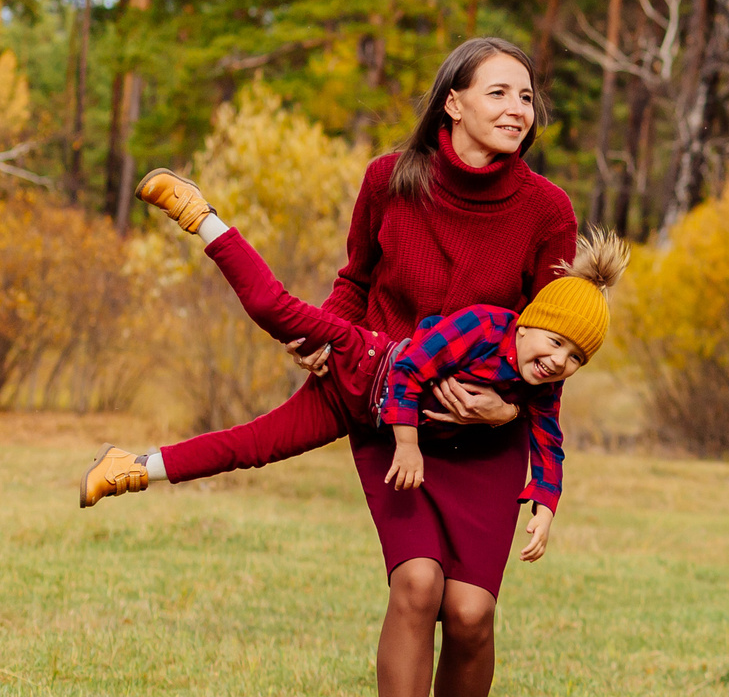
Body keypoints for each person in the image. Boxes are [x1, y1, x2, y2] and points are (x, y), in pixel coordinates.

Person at [81, 39, 577, 697]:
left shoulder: (547, 210)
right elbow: (354, 281)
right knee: (416, 584)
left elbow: (559, 337)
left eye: (528, 96)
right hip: (389, 409)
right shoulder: (391, 178)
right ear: (451, 101)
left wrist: (513, 406)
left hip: (485, 435)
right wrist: (324, 345)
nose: (518, 109)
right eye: (499, 92)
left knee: (473, 614)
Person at [81, 178, 623, 527]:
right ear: (530, 322)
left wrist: (545, 505)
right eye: (556, 343)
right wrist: (408, 446)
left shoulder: (540, 384)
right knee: (272, 306)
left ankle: (132, 468)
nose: (560, 361)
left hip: (359, 409)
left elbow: (551, 446)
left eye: (576, 358)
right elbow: (411, 365)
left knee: (252, 446)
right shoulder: (484, 327)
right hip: (360, 357)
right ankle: (201, 215)